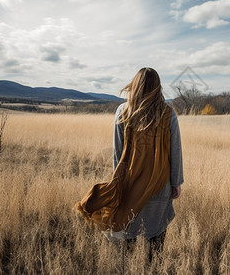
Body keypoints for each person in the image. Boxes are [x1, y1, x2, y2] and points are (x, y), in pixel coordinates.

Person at [76, 67, 183, 261]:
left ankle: (132, 268)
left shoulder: (122, 111)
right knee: (157, 241)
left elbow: (118, 153)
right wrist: (176, 182)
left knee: (129, 236)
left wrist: (119, 182)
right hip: (160, 186)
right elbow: (175, 151)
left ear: (135, 85)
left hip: (131, 185)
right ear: (158, 87)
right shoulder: (168, 113)